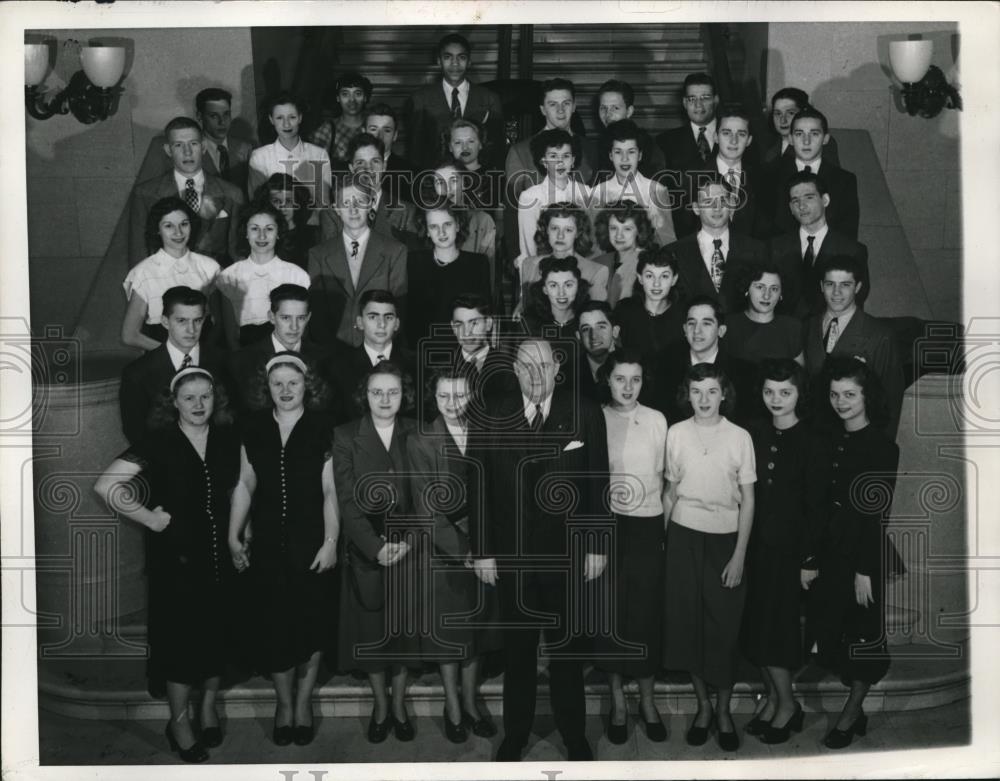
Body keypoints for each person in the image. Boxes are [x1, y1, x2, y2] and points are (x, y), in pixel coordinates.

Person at [467, 337, 611, 761]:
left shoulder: (583, 412)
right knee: (519, 652)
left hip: (567, 556)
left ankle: (574, 735)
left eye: (543, 365)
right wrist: (483, 550)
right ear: (514, 370)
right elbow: (479, 484)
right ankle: (516, 734)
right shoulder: (492, 412)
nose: (535, 373)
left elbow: (597, 481)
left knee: (567, 653)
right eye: (526, 366)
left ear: (556, 369)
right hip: (511, 557)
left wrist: (596, 545)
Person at [95, 367, 240, 762]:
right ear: (173, 401)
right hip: (176, 561)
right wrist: (149, 518)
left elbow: (241, 489)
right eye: (189, 397)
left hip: (219, 557)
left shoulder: (228, 439)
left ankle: (207, 708)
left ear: (215, 399)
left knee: (216, 636)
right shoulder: (156, 442)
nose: (197, 404)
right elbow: (106, 485)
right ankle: (178, 721)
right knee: (181, 646)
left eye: (205, 396)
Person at [228, 353, 339, 747]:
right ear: (267, 387)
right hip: (270, 542)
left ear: (306, 385)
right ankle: (283, 704)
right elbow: (244, 483)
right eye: (278, 384)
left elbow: (330, 491)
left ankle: (303, 704)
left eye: (294, 383)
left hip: (311, 540)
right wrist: (233, 534)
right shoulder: (253, 427)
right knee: (275, 626)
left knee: (310, 624)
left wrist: (330, 543)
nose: (286, 391)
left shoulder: (325, 427)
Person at [662, 362, 756, 753]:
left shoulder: (739, 437)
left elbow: (749, 501)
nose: (704, 399)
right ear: (688, 394)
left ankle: (722, 711)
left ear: (724, 394)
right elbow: (669, 492)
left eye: (712, 391)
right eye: (697, 391)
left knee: (722, 630)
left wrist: (739, 556)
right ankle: (702, 708)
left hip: (725, 541)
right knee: (689, 627)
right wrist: (664, 543)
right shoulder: (676, 433)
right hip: (683, 537)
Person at [809, 356, 899, 749]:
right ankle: (855, 709)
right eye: (834, 394)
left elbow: (877, 512)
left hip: (862, 554)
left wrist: (865, 569)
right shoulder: (828, 438)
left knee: (863, 635)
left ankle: (851, 710)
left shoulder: (882, 446)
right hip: (830, 552)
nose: (840, 401)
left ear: (866, 397)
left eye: (849, 394)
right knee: (834, 633)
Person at [405, 370, 500, 743]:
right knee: (449, 634)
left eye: (459, 395)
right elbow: (426, 508)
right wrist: (465, 553)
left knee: (474, 631)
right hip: (446, 551)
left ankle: (472, 702)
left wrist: (485, 547)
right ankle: (452, 706)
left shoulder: (486, 430)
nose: (452, 403)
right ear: (435, 398)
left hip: (484, 545)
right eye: (444, 396)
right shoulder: (421, 439)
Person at [332, 360, 419, 743]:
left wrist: (409, 541)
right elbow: (346, 499)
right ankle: (379, 705)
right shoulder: (346, 435)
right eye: (377, 392)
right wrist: (374, 546)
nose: (385, 399)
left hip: (409, 547)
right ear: (364, 395)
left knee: (401, 634)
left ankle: (398, 704)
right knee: (372, 631)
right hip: (368, 550)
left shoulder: (417, 432)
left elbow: (428, 497)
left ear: (404, 395)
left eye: (393, 392)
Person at [740, 359, 823, 744]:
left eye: (785, 392)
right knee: (758, 626)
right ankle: (773, 699)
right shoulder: (755, 432)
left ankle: (788, 704)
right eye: (769, 392)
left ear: (799, 395)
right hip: (757, 546)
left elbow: (816, 506)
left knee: (777, 629)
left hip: (789, 553)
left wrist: (809, 559)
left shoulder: (811, 439)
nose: (776, 399)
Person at [595, 350, 669, 745]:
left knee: (643, 614)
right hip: (608, 525)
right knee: (611, 614)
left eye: (635, 379)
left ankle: (647, 699)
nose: (627, 387)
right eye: (620, 378)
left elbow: (667, 480)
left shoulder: (657, 420)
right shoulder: (596, 417)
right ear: (608, 379)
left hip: (647, 524)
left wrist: (665, 532)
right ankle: (618, 701)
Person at [803, 257, 904, 438]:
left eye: (845, 285)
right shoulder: (807, 327)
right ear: (821, 286)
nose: (836, 292)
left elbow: (892, 397)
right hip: (815, 436)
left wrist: (882, 445)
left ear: (857, 287)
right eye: (830, 284)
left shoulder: (880, 334)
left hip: (860, 438)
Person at [119, 286, 231, 445]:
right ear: (165, 322)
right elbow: (136, 433)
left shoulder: (224, 361)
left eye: (197, 321)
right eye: (181, 321)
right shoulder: (137, 373)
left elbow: (234, 419)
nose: (191, 330)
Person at [307, 173, 408, 347]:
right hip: (334, 354)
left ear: (370, 205)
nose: (353, 210)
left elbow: (400, 309)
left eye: (360, 202)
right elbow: (317, 314)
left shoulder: (395, 251)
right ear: (336, 209)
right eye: (345, 203)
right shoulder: (319, 255)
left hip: (379, 351)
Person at [130, 116, 245, 267]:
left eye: (193, 144)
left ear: (203, 147)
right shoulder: (145, 194)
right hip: (167, 285)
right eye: (178, 145)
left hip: (215, 284)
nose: (187, 152)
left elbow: (237, 253)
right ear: (168, 150)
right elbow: (139, 254)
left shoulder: (232, 193)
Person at [504, 79, 595, 257]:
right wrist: (519, 260)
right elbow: (512, 213)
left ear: (574, 106)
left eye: (566, 103)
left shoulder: (590, 149)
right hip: (538, 256)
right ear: (542, 109)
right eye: (553, 104)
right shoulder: (520, 151)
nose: (560, 110)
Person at [122, 197, 221, 351]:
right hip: (162, 353)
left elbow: (219, 321)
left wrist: (202, 354)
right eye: (169, 226)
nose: (178, 232)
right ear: (157, 229)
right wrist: (171, 354)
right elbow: (130, 335)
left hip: (203, 351)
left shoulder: (210, 267)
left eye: (184, 224)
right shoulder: (143, 272)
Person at [642, 295, 755, 426]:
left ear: (721, 330)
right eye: (692, 323)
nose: (697, 330)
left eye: (706, 323)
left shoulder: (744, 373)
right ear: (684, 329)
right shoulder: (663, 367)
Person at [769, 171, 870, 317]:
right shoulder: (775, 247)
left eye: (809, 198)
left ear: (825, 200)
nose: (801, 206)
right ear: (790, 208)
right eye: (795, 201)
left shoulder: (852, 250)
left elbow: (856, 302)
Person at [665, 175, 767, 314]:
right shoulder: (674, 252)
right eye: (708, 201)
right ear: (696, 208)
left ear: (732, 205)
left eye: (723, 200)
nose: (717, 207)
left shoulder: (757, 250)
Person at [405, 32, 505, 174]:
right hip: (436, 180)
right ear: (439, 61)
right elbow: (415, 152)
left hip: (478, 179)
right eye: (448, 57)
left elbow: (497, 148)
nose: (455, 63)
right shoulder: (420, 99)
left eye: (461, 57)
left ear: (469, 61)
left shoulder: (489, 98)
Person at [216, 203, 310, 348]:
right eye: (254, 229)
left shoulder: (297, 275)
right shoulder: (229, 276)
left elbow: (302, 331)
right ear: (245, 233)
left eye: (269, 229)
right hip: (245, 353)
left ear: (278, 232)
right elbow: (231, 337)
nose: (262, 236)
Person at [227, 283, 328, 412]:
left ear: (308, 318)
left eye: (301, 318)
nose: (294, 327)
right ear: (271, 317)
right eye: (286, 318)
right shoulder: (242, 361)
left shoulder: (324, 359)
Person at [763, 106, 859, 240]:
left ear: (825, 139)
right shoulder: (770, 177)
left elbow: (847, 235)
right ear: (790, 139)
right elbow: (764, 231)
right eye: (799, 134)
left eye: (814, 134)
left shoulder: (844, 180)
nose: (806, 141)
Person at [405, 202, 491, 346]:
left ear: (457, 225)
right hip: (420, 352)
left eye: (447, 224)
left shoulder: (478, 264)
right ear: (426, 230)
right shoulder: (412, 262)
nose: (441, 232)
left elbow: (485, 313)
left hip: (465, 350)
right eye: (434, 227)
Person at [325, 290, 417, 424]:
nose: (382, 324)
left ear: (397, 324)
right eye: (373, 317)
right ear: (360, 322)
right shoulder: (337, 366)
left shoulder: (416, 365)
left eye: (388, 317)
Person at [320, 134, 420, 243]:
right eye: (360, 162)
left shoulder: (406, 211)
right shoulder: (333, 214)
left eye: (375, 161)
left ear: (384, 166)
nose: (368, 168)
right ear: (351, 168)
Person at [655, 73, 720, 238]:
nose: (698, 105)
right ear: (684, 103)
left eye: (705, 97)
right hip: (682, 236)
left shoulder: (733, 136)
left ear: (716, 100)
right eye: (692, 99)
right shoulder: (665, 142)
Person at [590, 120, 676, 246]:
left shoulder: (656, 190)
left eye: (631, 152)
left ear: (640, 155)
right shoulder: (597, 193)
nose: (625, 159)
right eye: (618, 152)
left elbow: (668, 241)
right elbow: (595, 243)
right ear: (610, 156)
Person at [517, 128, 594, 259]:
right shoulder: (530, 197)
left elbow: (589, 240)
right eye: (553, 156)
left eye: (566, 156)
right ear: (543, 161)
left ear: (573, 160)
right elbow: (529, 249)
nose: (560, 162)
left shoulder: (586, 192)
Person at [248, 91, 332, 210]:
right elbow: (257, 202)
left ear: (300, 118)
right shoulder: (259, 156)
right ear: (271, 120)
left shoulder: (319, 154)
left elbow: (323, 201)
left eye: (292, 117)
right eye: (279, 118)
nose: (286, 124)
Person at [517, 203, 608, 310]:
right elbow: (525, 306)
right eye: (555, 228)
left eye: (568, 230)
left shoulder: (596, 271)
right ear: (546, 230)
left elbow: (596, 316)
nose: (560, 236)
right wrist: (520, 307)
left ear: (578, 233)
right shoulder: (530, 265)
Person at [448, 293, 518, 425]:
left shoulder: (509, 369)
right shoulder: (441, 369)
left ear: (488, 324)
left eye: (474, 323)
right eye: (459, 324)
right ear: (453, 327)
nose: (466, 332)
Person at [426, 160, 498, 284]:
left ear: (464, 183)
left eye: (453, 181)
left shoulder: (483, 221)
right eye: (440, 182)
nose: (447, 188)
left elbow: (487, 276)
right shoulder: (426, 221)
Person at [613, 245, 686, 359]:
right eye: (649, 276)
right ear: (640, 278)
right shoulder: (624, 311)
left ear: (674, 279)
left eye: (664, 276)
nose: (656, 283)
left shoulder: (684, 314)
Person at [723, 265, 804, 366]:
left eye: (774, 289)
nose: (766, 295)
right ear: (746, 289)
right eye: (760, 287)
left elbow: (799, 377)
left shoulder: (792, 327)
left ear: (781, 294)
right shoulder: (728, 325)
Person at [590, 78, 666, 182]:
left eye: (615, 108)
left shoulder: (646, 145)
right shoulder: (598, 146)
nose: (608, 114)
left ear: (629, 111)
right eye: (603, 108)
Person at [713, 105, 768, 239]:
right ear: (715, 137)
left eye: (741, 134)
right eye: (726, 133)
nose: (734, 140)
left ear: (749, 140)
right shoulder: (693, 176)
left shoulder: (763, 178)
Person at [592, 200, 660, 306]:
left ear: (639, 231)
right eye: (614, 228)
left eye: (627, 229)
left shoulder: (649, 264)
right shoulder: (600, 262)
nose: (619, 235)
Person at [252, 173, 320, 270]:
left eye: (288, 201)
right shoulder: (261, 237)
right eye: (276, 201)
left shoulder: (313, 235)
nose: (283, 207)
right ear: (267, 204)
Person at [761, 87, 841, 167]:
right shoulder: (767, 142)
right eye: (778, 114)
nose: (783, 120)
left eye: (790, 113)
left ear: (803, 113)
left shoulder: (820, 141)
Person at [311, 71, 373, 168]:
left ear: (365, 97)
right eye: (345, 94)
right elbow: (316, 171)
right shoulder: (327, 130)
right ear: (338, 98)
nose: (352, 100)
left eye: (358, 93)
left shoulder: (373, 127)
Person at [522, 255, 591, 341]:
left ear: (578, 287)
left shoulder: (587, 321)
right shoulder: (529, 323)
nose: (561, 293)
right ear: (545, 289)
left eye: (568, 285)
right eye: (553, 285)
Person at [196, 87, 253, 190]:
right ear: (200, 116)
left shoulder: (245, 148)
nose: (222, 122)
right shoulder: (191, 150)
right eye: (214, 116)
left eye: (226, 114)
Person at [363, 103, 415, 202]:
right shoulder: (346, 170)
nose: (379, 136)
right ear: (363, 131)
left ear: (395, 135)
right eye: (373, 129)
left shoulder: (411, 174)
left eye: (387, 130)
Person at [576, 300, 620, 402]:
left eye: (601, 327)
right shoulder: (568, 374)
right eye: (586, 329)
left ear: (615, 331)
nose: (594, 336)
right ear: (578, 336)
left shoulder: (636, 366)